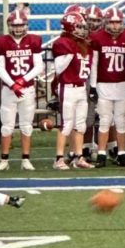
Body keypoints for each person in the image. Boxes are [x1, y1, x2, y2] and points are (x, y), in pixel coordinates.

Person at [0, 10, 43, 171]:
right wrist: (12, 84)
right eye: (15, 25)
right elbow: (0, 68)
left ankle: (25, 159)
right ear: (9, 26)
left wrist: (22, 80)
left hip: (27, 89)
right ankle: (4, 160)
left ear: (26, 25)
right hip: (9, 90)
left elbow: (39, 66)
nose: (18, 28)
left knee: (26, 125)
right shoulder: (1, 42)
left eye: (21, 25)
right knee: (6, 125)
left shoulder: (33, 41)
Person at [90, 8, 125, 167]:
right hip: (104, 84)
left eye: (117, 22)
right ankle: (101, 154)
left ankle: (121, 153)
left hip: (123, 84)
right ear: (106, 22)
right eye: (112, 22)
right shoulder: (97, 38)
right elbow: (94, 64)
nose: (115, 25)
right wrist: (93, 86)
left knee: (121, 121)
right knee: (105, 121)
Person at [50, 12, 94, 170]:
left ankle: (78, 156)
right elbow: (59, 68)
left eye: (83, 27)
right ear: (70, 27)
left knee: (80, 125)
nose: (82, 30)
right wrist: (70, 53)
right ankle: (59, 158)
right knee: (67, 124)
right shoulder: (63, 43)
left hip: (81, 87)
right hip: (67, 87)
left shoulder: (84, 45)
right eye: (79, 27)